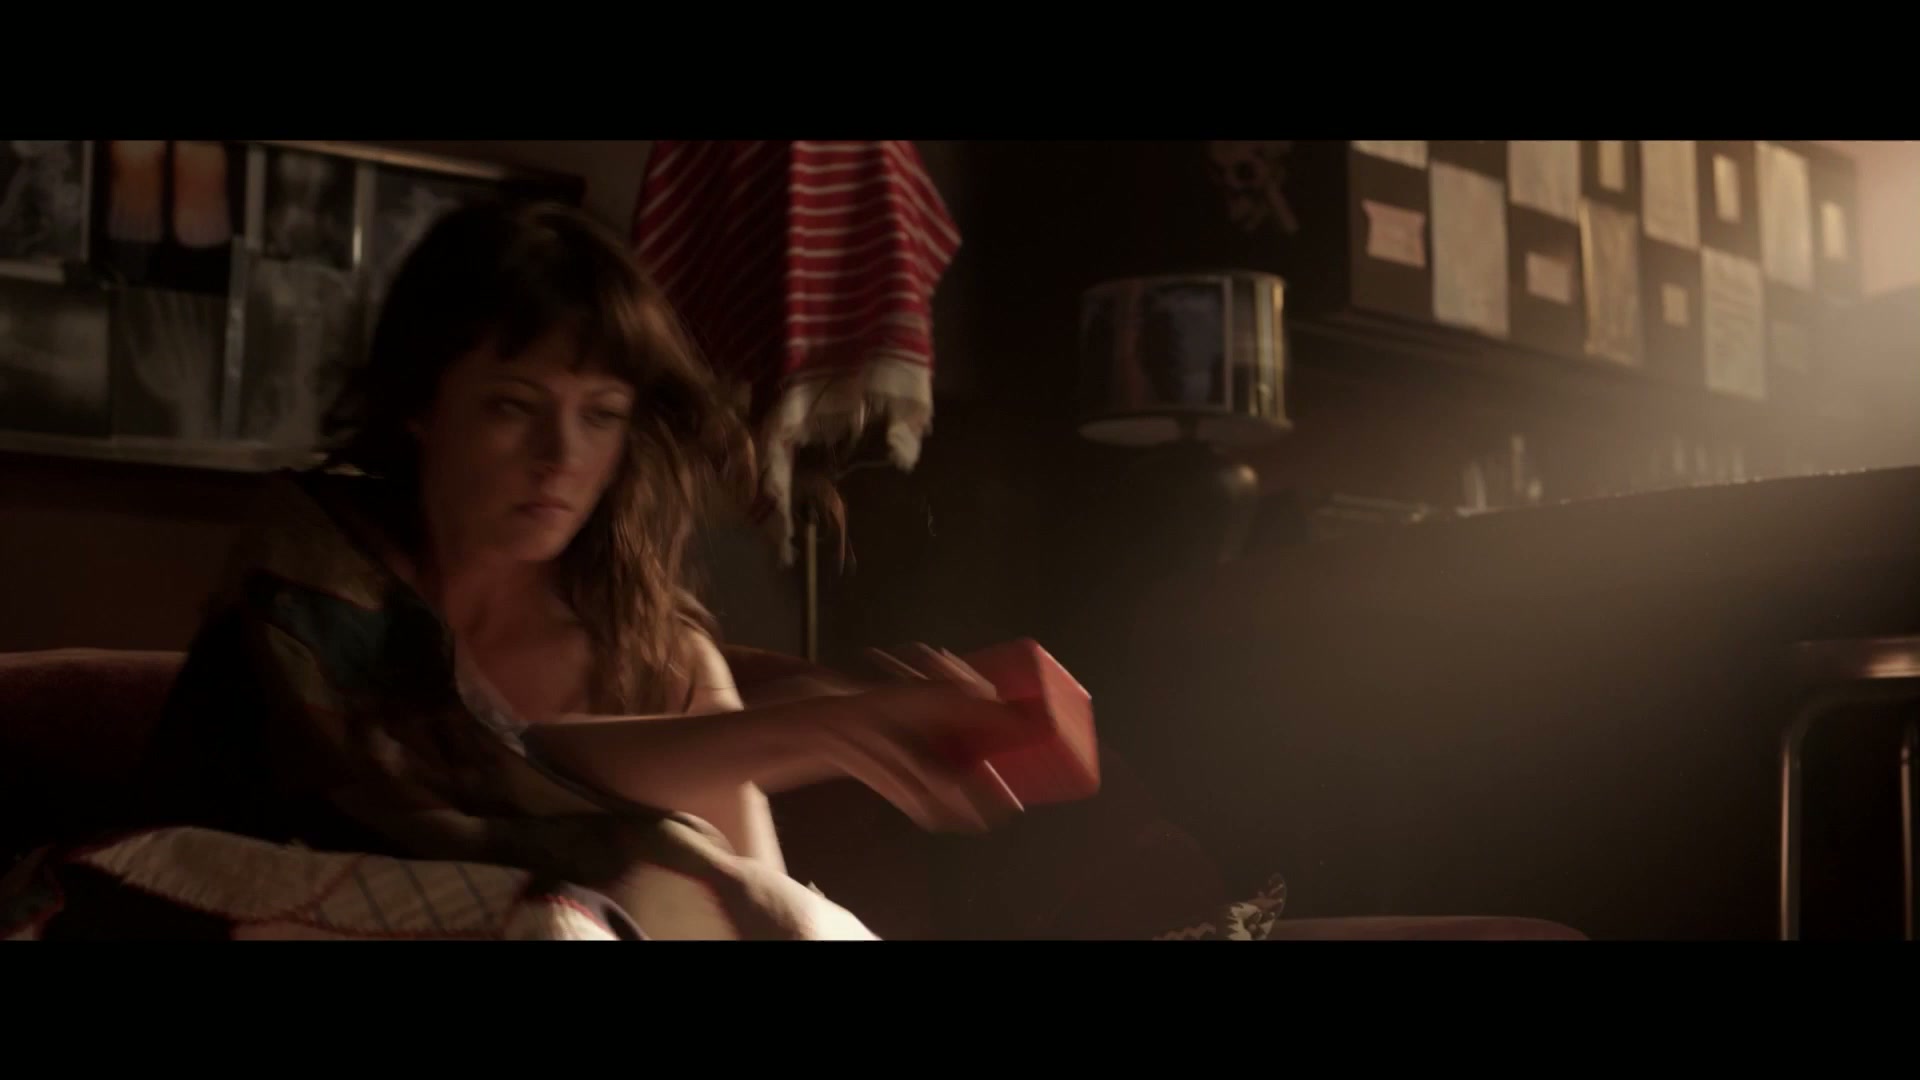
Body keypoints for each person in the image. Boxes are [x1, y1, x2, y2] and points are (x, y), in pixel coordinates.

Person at [113, 200, 1034, 938]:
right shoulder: (308, 596)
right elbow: (472, 761)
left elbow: (747, 912)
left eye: (600, 415)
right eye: (514, 407)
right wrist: (811, 728)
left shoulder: (657, 658)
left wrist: (819, 729)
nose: (561, 456)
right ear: (421, 406)